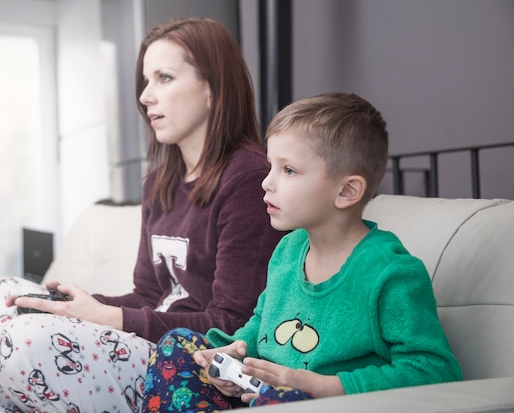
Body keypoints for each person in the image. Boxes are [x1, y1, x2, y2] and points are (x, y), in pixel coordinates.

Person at [0, 17, 285, 413]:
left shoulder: (248, 177)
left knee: (27, 342)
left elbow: (233, 322)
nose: (145, 97)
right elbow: (150, 295)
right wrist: (75, 304)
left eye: (164, 78)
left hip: (190, 361)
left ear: (212, 88)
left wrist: (105, 316)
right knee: (1, 295)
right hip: (147, 338)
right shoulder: (159, 183)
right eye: (145, 82)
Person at [141, 92, 463, 411]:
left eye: (289, 171)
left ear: (347, 191)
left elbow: (435, 371)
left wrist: (319, 387)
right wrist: (234, 352)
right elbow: (261, 324)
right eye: (271, 167)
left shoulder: (391, 272)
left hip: (325, 404)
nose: (267, 183)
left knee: (282, 398)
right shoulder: (288, 249)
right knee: (176, 345)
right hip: (263, 395)